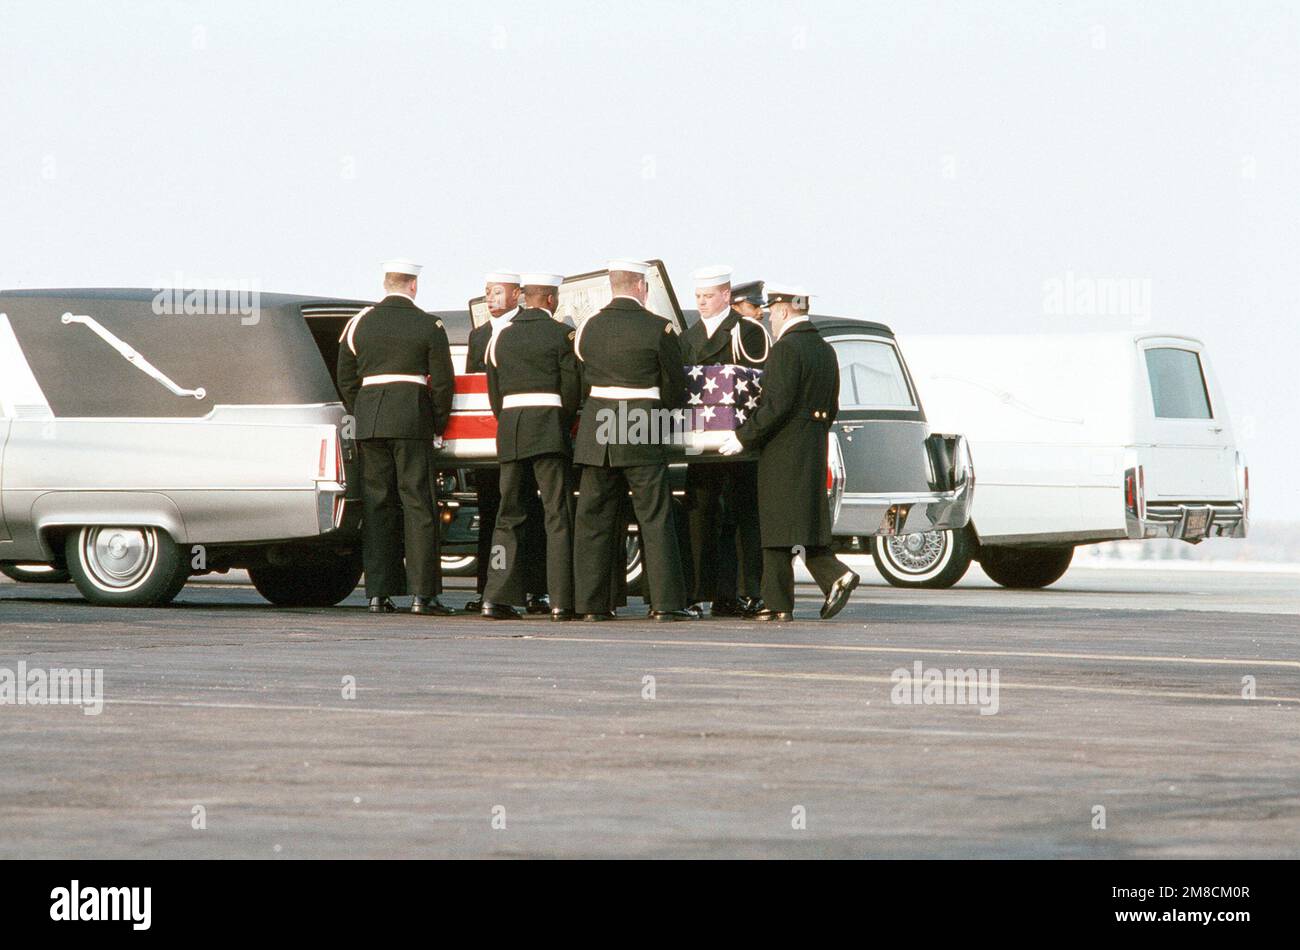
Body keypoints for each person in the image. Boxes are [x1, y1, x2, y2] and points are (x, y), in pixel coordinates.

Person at [721, 283, 859, 621]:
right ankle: (780, 603)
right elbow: (832, 406)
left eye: (770, 315)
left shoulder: (786, 349)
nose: (769, 320)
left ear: (783, 311)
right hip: (812, 444)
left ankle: (800, 592)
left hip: (783, 446)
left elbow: (775, 405)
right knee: (797, 524)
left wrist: (744, 436)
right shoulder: (826, 350)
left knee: (775, 522)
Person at [572, 260, 693, 622]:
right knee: (654, 516)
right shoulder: (660, 329)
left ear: (613, 286)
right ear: (641, 286)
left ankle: (592, 604)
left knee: (594, 519)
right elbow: (674, 386)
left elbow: (582, 378)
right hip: (642, 422)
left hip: (598, 427)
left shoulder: (588, 327)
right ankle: (665, 603)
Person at [336, 258, 456, 616]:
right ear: (413, 286)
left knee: (378, 506)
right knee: (418, 503)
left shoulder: (359, 324)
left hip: (372, 419)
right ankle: (423, 595)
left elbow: (346, 377)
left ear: (386, 283)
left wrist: (364, 410)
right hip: (412, 419)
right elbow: (444, 382)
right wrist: (436, 422)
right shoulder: (428, 324)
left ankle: (378, 593)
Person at [481, 272, 580, 621]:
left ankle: (495, 596)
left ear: (526, 297)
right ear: (551, 300)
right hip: (549, 430)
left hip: (510, 430)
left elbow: (495, 395)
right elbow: (571, 390)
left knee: (507, 516)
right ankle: (561, 601)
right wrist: (559, 421)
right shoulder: (562, 335)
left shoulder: (500, 337)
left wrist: (510, 420)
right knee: (558, 516)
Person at [680, 266, 769, 618]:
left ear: (726, 296)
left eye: (708, 296)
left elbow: (757, 383)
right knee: (701, 516)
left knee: (743, 515)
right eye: (698, 297)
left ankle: (748, 592)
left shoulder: (748, 332)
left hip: (738, 440)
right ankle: (703, 591)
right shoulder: (688, 337)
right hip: (701, 439)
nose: (701, 302)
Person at [465, 272, 548, 614]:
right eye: (486, 292)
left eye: (497, 292)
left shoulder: (528, 330)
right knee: (491, 513)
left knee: (531, 512)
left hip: (522, 433)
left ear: (517, 295)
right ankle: (490, 588)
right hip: (490, 439)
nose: (490, 298)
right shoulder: (479, 335)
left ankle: (536, 589)